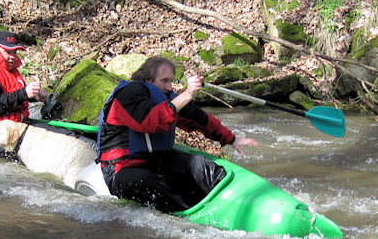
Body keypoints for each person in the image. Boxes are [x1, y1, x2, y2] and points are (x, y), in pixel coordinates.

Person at [97, 56, 258, 212]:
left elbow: (198, 118)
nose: (169, 86)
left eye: (171, 81)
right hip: (121, 169)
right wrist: (187, 94)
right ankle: (186, 214)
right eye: (164, 81)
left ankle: (241, 202)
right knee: (147, 182)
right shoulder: (131, 93)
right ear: (147, 80)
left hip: (156, 160)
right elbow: (151, 122)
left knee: (202, 166)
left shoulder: (166, 98)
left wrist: (231, 139)